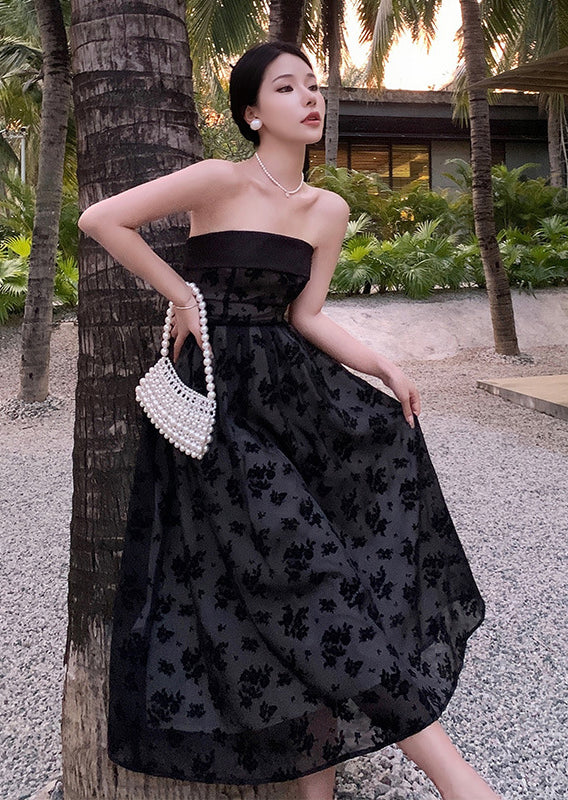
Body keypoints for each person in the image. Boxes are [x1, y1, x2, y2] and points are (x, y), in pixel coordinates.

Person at [78, 39, 500, 800]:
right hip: (221, 405)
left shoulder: (327, 209)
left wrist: (383, 366)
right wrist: (183, 296)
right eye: (286, 87)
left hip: (299, 399)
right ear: (251, 112)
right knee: (307, 578)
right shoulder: (218, 179)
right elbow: (102, 219)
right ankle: (457, 780)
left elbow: (306, 315)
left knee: (314, 580)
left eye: (313, 85)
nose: (310, 98)